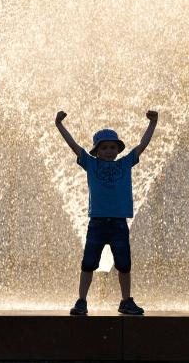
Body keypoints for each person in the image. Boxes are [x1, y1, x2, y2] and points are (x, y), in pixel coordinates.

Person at [55, 110, 158, 316]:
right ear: (97, 150)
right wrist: (59, 125)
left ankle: (126, 301)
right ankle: (81, 300)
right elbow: (74, 146)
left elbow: (142, 145)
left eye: (113, 147)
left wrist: (153, 123)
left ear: (118, 150)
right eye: (105, 147)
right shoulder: (91, 164)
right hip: (98, 223)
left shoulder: (125, 163)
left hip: (119, 223)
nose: (109, 151)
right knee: (88, 263)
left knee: (124, 264)